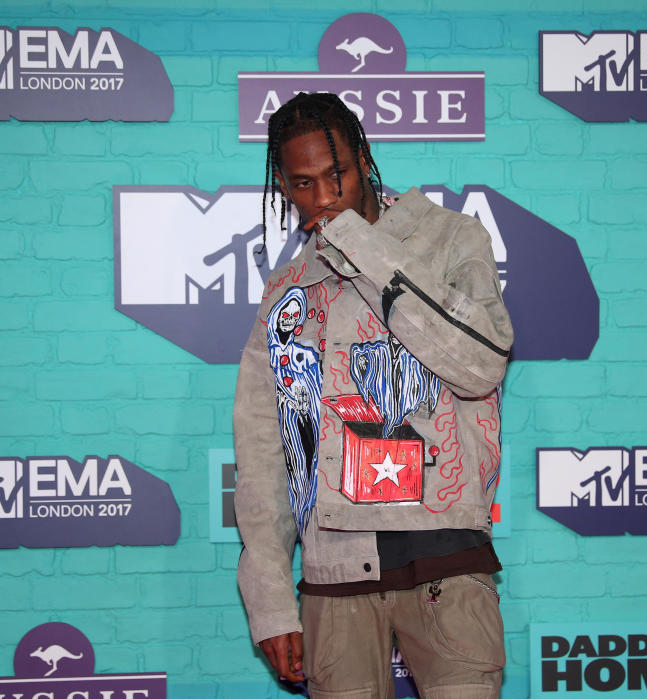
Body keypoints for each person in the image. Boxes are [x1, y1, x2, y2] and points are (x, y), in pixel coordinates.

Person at [234, 92, 514, 698]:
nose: (324, 198)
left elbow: (480, 366)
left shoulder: (448, 239)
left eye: (336, 175)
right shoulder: (287, 291)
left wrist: (362, 245)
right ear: (282, 187)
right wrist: (270, 599)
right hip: (334, 572)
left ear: (364, 158)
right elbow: (263, 454)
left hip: (449, 558)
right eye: (303, 185)